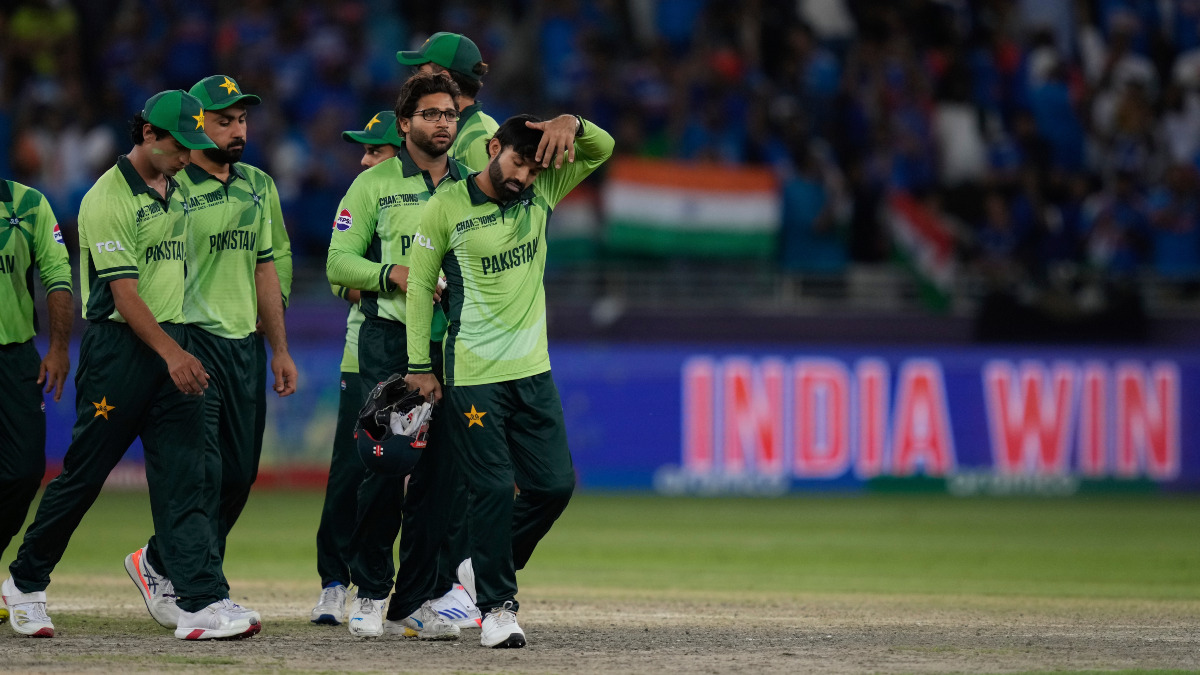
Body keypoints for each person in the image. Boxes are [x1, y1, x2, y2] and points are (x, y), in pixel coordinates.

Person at [2, 90, 261, 640]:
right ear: (147, 135)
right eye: (178, 147)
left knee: (191, 476)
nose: (188, 158)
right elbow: (123, 295)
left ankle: (199, 601)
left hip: (175, 346)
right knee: (84, 477)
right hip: (121, 353)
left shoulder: (176, 185)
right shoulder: (106, 197)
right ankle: (24, 583)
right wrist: (173, 354)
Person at [403, 113, 614, 648]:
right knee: (494, 487)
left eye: (533, 166)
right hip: (474, 375)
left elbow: (602, 149)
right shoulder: (444, 208)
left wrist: (574, 122)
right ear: (493, 147)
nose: (523, 176)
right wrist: (419, 366)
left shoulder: (541, 190)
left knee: (554, 486)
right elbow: (419, 287)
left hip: (532, 372)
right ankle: (498, 609)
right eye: (517, 160)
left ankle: (478, 571)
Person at [125, 75, 297, 630]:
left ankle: (157, 561)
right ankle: (204, 592)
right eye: (225, 120)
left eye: (242, 119)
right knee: (197, 473)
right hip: (191, 341)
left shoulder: (259, 186)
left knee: (239, 475)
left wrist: (279, 349)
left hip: (243, 345)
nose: (238, 129)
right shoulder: (171, 189)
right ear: (196, 126)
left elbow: (264, 267)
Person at [326, 71, 468, 640]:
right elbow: (338, 263)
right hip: (388, 344)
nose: (442, 124)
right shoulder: (373, 185)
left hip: (454, 347)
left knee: (440, 479)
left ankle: (416, 600)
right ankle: (368, 590)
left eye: (450, 115)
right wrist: (394, 273)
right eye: (430, 114)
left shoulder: (470, 185)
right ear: (405, 122)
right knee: (383, 472)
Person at [395, 31, 498, 628]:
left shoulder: (479, 139)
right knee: (450, 475)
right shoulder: (468, 141)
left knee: (454, 475)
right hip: (459, 324)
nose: (414, 78)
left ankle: (436, 590)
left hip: (468, 323)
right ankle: (434, 591)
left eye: (426, 70)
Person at [309, 110, 403, 625]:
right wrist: (393, 279)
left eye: (375, 150)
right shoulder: (365, 197)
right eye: (364, 150)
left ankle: (412, 589)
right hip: (363, 348)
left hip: (430, 351)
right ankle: (333, 582)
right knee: (353, 470)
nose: (364, 159)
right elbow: (338, 278)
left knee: (415, 479)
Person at [0, 177, 73, 626]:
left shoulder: (27, 204)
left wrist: (60, 347)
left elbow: (58, 274)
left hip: (14, 357)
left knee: (25, 469)